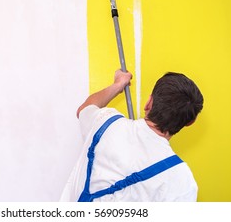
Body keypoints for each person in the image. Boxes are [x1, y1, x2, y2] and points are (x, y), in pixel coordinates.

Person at [60, 70, 204, 202]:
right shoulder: (182, 181)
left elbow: (85, 109)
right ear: (190, 122)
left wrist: (118, 84)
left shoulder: (106, 122)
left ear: (149, 103)